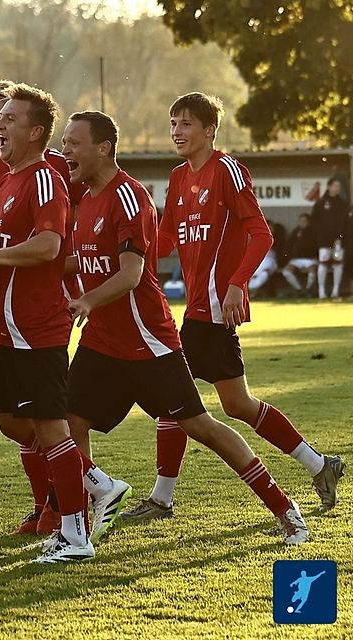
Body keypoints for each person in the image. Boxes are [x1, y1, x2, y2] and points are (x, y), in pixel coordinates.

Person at [61, 110, 309, 548]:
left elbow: (133, 273)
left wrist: (87, 299)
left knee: (204, 426)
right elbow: (89, 260)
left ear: (103, 148)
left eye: (74, 143)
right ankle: (84, 519)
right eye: (64, 143)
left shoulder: (128, 196)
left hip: (149, 343)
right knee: (66, 422)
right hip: (101, 340)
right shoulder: (85, 199)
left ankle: (285, 509)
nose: (67, 151)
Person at [121, 92, 343, 522]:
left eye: (186, 124)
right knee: (237, 404)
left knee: (175, 400)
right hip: (198, 313)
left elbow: (261, 233)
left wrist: (238, 285)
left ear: (209, 130)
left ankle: (162, 501)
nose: (176, 132)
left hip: (213, 312)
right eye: (172, 124)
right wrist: (125, 262)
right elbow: (164, 242)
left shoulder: (227, 170)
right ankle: (321, 465)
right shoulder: (178, 176)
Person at [0, 83, 91, 562]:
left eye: (9, 119)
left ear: (36, 132)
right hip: (4, 325)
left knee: (51, 428)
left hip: (37, 325)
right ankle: (97, 484)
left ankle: (75, 535)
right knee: (12, 424)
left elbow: (49, 245)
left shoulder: (43, 178)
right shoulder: (5, 179)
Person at [311, 177, 348, 299]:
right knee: (323, 263)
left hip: (338, 239)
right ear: (329, 186)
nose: (337, 189)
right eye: (335, 186)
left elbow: (344, 222)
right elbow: (314, 220)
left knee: (338, 264)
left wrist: (340, 237)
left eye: (339, 187)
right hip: (323, 239)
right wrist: (319, 236)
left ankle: (335, 291)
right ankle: (321, 291)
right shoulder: (320, 202)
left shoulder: (342, 203)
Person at [281, 213, 318, 294]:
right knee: (286, 271)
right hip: (297, 259)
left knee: (312, 270)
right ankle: (299, 289)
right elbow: (289, 245)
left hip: (310, 259)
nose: (302, 223)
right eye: (300, 221)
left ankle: (308, 289)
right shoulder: (296, 231)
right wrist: (289, 258)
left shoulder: (314, 232)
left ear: (308, 222)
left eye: (304, 221)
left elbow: (317, 245)